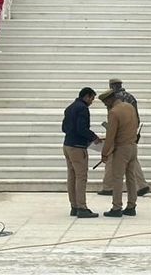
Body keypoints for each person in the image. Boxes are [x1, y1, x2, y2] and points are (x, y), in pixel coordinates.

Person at [98, 79, 150, 197]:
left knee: (115, 163)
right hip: (131, 132)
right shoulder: (130, 97)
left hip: (120, 135)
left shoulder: (113, 100)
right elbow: (136, 116)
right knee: (132, 161)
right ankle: (141, 185)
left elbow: (113, 118)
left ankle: (109, 187)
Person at [99, 89, 140, 217]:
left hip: (121, 149)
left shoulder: (114, 112)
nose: (106, 105)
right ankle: (131, 206)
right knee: (131, 178)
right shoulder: (129, 107)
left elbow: (111, 136)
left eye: (106, 103)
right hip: (133, 147)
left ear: (110, 100)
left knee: (117, 178)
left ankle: (117, 207)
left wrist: (104, 153)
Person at [61, 87, 101, 218]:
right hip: (78, 147)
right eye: (92, 98)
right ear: (87, 96)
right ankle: (82, 207)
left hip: (67, 145)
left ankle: (74, 206)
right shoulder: (83, 109)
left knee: (71, 176)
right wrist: (94, 137)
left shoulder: (70, 107)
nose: (92, 102)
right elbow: (82, 128)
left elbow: (64, 127)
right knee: (81, 177)